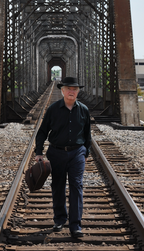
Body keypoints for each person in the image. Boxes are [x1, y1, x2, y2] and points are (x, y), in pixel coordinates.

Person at [34, 77, 91, 238]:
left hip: (77, 153)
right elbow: (42, 132)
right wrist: (39, 152)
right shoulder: (53, 109)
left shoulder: (84, 110)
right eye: (68, 88)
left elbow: (88, 134)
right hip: (56, 152)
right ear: (62, 91)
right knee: (58, 186)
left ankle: (75, 225)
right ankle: (59, 219)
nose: (71, 91)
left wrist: (86, 152)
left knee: (76, 186)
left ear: (78, 91)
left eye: (75, 89)